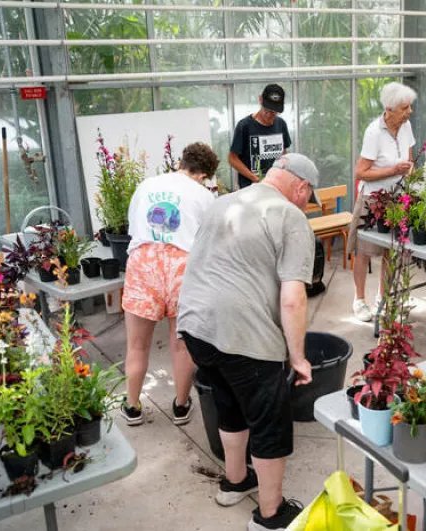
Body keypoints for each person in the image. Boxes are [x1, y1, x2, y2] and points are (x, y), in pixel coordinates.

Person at [177, 153, 320, 531]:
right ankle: (271, 516)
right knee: (270, 421)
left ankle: (235, 482)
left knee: (229, 401)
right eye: (309, 196)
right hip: (240, 333)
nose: (307, 203)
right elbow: (293, 297)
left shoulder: (224, 201)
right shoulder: (291, 217)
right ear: (301, 187)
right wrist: (298, 357)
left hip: (195, 326)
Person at [120, 142, 219, 426]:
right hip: (183, 268)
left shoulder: (146, 185)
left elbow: (132, 229)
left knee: (137, 345)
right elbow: (209, 242)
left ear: (180, 163)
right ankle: (180, 405)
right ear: (204, 175)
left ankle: (133, 406)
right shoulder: (204, 197)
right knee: (181, 343)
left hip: (144, 263)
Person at [349, 82, 416, 322]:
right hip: (372, 199)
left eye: (410, 107)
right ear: (389, 109)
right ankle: (359, 299)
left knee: (392, 249)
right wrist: (392, 170)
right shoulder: (374, 132)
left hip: (397, 198)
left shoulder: (406, 126)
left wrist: (408, 174)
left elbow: (408, 160)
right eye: (405, 108)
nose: (409, 112)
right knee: (364, 251)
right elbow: (361, 172)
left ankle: (384, 298)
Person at [229, 83, 292, 189]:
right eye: (267, 109)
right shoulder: (245, 126)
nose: (269, 115)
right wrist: (255, 178)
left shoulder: (281, 125)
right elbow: (232, 158)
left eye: (274, 111)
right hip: (251, 188)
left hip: (275, 186)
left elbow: (284, 152)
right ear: (260, 100)